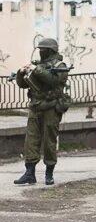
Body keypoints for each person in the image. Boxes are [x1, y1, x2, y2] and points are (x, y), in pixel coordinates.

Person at [12, 38, 71, 186]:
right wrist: (21, 72)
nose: (41, 52)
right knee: (31, 141)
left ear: (50, 51)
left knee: (49, 141)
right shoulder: (39, 65)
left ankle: (49, 172)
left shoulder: (60, 66)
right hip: (35, 107)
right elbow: (24, 84)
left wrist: (35, 69)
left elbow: (52, 81)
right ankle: (29, 172)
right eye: (40, 49)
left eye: (43, 50)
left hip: (51, 107)